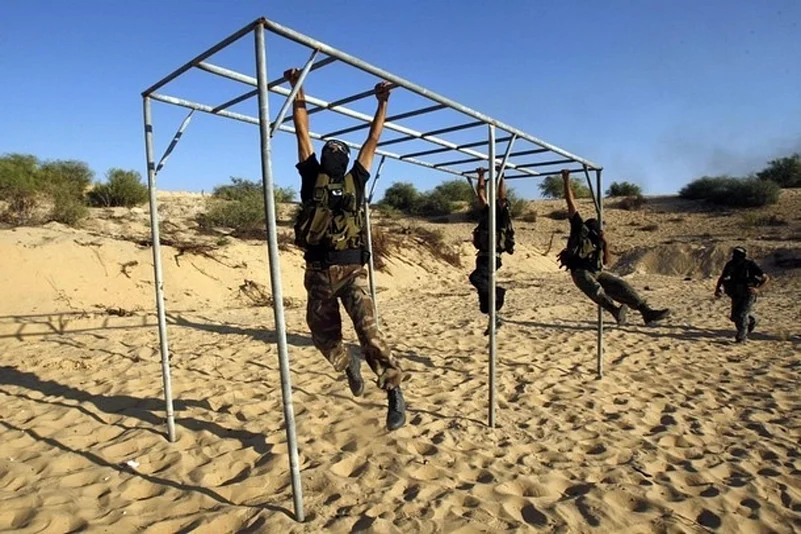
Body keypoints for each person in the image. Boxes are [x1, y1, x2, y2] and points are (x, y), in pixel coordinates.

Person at [285, 67, 407, 431]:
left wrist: (382, 104)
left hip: (352, 270)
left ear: (347, 157)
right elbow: (302, 130)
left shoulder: (356, 178)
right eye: (330, 150)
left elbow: (374, 137)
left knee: (370, 333)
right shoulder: (312, 176)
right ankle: (348, 364)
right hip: (318, 273)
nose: (333, 152)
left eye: (339, 150)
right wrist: (298, 89)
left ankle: (393, 390)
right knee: (322, 335)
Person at [557, 169, 670, 326]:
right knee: (594, 288)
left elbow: (606, 262)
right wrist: (566, 180)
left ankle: (646, 312)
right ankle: (614, 310)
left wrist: (605, 243)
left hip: (597, 272)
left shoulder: (599, 240)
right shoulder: (580, 231)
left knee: (621, 286)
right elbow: (571, 204)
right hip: (580, 271)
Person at [469, 167, 515, 335]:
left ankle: (498, 292)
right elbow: (481, 195)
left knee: (476, 278)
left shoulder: (501, 218)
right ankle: (494, 319)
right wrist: (481, 176)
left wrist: (501, 175)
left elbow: (502, 196)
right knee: (484, 304)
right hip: (482, 257)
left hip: (493, 257)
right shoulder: (486, 214)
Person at [714, 246, 769, 343]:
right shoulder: (730, 264)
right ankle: (752, 321)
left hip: (748, 294)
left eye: (738, 254)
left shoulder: (750, 265)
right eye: (734, 254)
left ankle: (741, 338)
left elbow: (765, 278)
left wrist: (758, 289)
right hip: (735, 294)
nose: (735, 256)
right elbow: (722, 277)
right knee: (735, 317)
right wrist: (718, 289)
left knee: (742, 315)